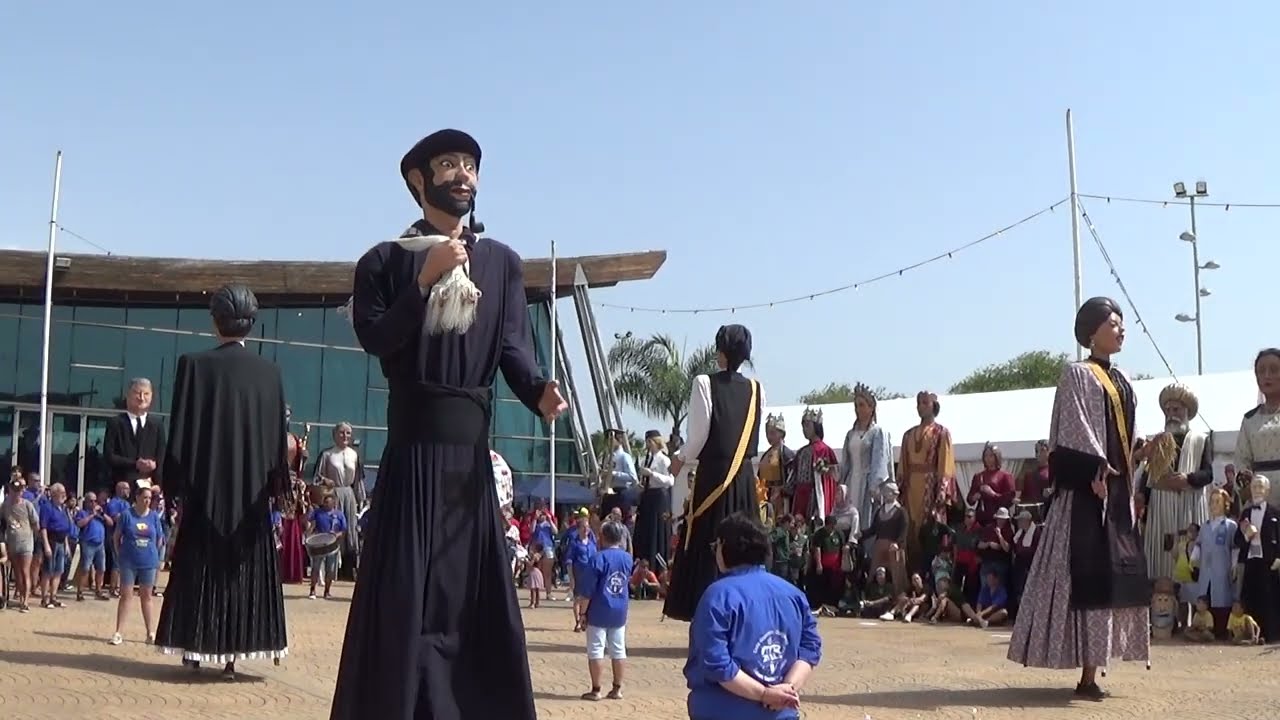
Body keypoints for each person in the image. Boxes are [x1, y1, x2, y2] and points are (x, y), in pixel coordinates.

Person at [331, 128, 566, 720]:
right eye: (448, 164)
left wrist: (538, 390)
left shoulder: (503, 263)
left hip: (470, 470)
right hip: (412, 456)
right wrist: (424, 278)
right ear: (419, 180)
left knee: (470, 597)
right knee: (406, 594)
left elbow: (513, 346)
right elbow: (377, 339)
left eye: (470, 165)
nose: (462, 174)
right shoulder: (383, 261)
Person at [1006, 296, 1150, 701]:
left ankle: (1095, 666)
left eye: (1122, 324)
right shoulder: (1077, 374)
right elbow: (1071, 431)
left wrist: (1142, 450)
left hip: (1116, 494)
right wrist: (1094, 468)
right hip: (1088, 493)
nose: (1121, 329)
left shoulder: (1123, 379)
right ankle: (1085, 674)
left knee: (1112, 576)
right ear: (1092, 331)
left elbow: (1124, 436)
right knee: (1084, 575)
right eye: (1114, 323)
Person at [154, 283, 290, 681]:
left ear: (215, 322)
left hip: (205, 491)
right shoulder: (270, 374)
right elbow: (275, 444)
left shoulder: (193, 365)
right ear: (252, 322)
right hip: (252, 498)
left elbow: (180, 433)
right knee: (243, 573)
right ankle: (236, 655)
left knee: (199, 569)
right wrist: (272, 487)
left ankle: (195, 647)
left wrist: (175, 485)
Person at [662, 324, 765, 622]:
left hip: (714, 476)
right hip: (744, 478)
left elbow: (699, 436)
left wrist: (679, 459)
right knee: (744, 546)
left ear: (722, 351)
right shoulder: (757, 389)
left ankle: (709, 616)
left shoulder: (703, 383)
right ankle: (745, 615)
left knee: (711, 542)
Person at [685, 513, 822, 720]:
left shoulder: (718, 595)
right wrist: (786, 689)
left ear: (724, 546)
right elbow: (810, 649)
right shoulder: (793, 594)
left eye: (716, 545)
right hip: (780, 713)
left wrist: (765, 694)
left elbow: (718, 664)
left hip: (724, 711)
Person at [1139, 383, 1212, 582]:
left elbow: (1208, 474)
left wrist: (1188, 479)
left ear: (1187, 411)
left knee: (1190, 559)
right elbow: (1146, 475)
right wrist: (1141, 499)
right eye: (1168, 410)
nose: (1171, 414)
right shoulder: (1157, 441)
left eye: (1176, 409)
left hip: (1190, 507)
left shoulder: (1201, 440)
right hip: (1161, 509)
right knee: (1162, 560)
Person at [898, 391, 958, 562]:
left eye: (925, 403)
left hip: (930, 486)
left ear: (934, 406)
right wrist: (900, 486)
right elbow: (903, 463)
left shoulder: (941, 432)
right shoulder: (908, 434)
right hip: (911, 487)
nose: (920, 407)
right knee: (910, 528)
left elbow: (945, 463)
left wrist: (941, 490)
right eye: (918, 403)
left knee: (930, 529)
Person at [581, 520, 633, 701]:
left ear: (603, 537)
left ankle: (596, 690)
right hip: (620, 610)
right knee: (618, 649)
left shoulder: (597, 558)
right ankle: (617, 688)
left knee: (596, 650)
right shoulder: (627, 558)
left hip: (598, 610)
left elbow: (588, 591)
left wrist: (582, 613)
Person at [838, 383, 895, 538]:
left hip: (867, 483)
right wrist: (841, 483)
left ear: (871, 408)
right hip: (851, 482)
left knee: (866, 520)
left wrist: (875, 486)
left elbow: (880, 460)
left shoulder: (877, 432)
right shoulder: (850, 434)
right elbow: (846, 461)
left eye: (862, 405)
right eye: (856, 405)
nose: (858, 409)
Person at [110, 485, 164, 646]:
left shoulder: (154, 516)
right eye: (144, 497)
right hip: (129, 560)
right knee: (126, 595)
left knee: (146, 596)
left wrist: (154, 552)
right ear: (137, 498)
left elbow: (159, 538)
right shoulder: (127, 515)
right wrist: (120, 554)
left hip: (148, 561)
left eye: (149, 498)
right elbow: (116, 537)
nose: (147, 501)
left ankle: (150, 632)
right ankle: (118, 632)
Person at [1235, 348, 1280, 507]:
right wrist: (1244, 485)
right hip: (1259, 496)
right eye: (1261, 371)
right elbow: (1241, 459)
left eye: (1274, 370)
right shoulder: (1249, 419)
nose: (1267, 375)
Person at [633, 430, 674, 568]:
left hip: (659, 497)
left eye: (650, 441)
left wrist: (653, 474)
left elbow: (670, 481)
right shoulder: (646, 459)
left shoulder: (664, 460)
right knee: (645, 531)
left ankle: (658, 565)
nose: (648, 444)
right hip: (648, 496)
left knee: (657, 531)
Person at [307, 492, 348, 600]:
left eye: (328, 502)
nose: (326, 504)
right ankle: (312, 590)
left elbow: (343, 530)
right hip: (319, 543)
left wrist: (336, 535)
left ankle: (327, 591)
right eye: (325, 502)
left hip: (332, 544)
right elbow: (308, 522)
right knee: (315, 568)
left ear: (333, 503)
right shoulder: (317, 512)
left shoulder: (339, 514)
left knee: (330, 569)